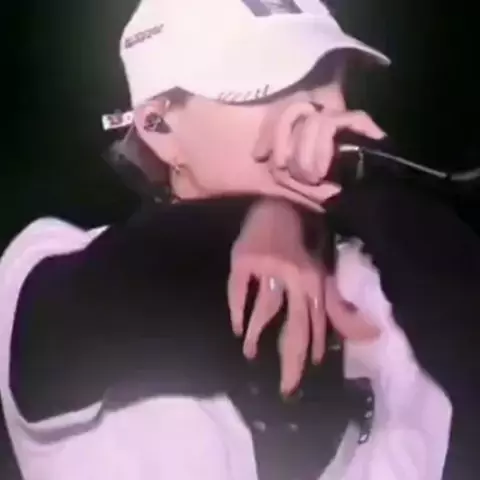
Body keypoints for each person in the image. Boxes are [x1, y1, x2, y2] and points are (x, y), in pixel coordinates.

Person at [0, 1, 452, 479]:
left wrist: (361, 192)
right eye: (277, 82)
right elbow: (139, 281)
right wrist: (266, 214)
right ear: (158, 126)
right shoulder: (47, 264)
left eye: (332, 80)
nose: (330, 109)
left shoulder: (378, 281)